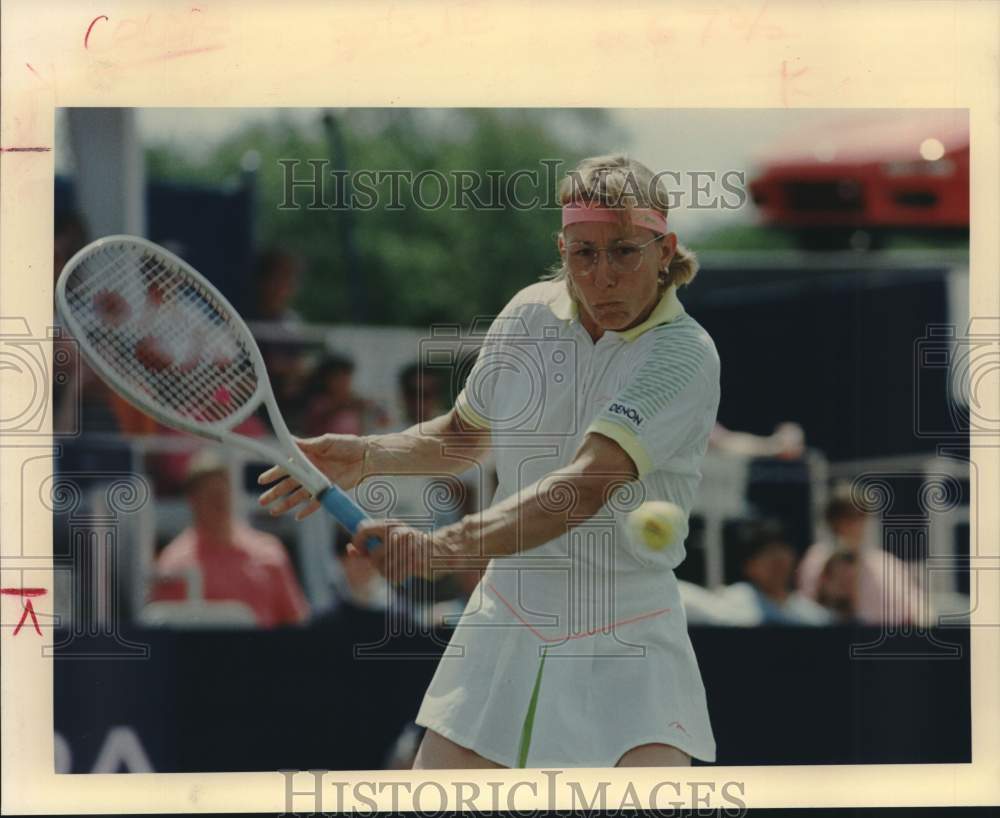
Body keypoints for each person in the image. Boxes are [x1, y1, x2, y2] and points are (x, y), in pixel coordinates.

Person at [259, 154, 719, 768]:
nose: (603, 275)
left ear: (666, 250)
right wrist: (365, 455)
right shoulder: (528, 314)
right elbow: (463, 437)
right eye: (584, 253)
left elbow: (584, 486)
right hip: (506, 619)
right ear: (561, 248)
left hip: (628, 635)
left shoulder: (683, 355)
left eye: (624, 251)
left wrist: (442, 547)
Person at [150, 449, 310, 628]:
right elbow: (166, 631)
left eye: (223, 493)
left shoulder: (269, 552)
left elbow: (296, 622)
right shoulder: (174, 564)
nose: (220, 502)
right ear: (193, 501)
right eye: (211, 496)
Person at [796, 484, 924, 626]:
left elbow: (918, 610)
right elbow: (808, 612)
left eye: (861, 515)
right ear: (832, 520)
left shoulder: (886, 563)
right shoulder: (816, 559)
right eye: (848, 516)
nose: (856, 523)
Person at [715, 520, 830, 625]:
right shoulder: (729, 603)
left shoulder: (813, 616)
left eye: (783, 551)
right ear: (748, 565)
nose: (778, 559)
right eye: (768, 553)